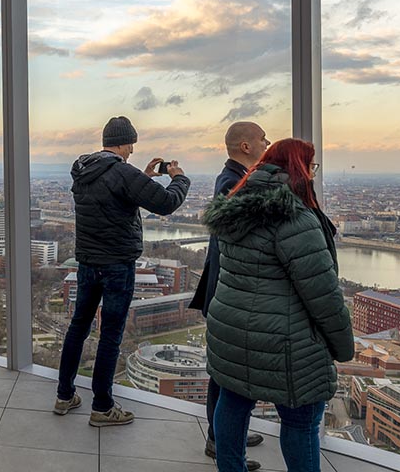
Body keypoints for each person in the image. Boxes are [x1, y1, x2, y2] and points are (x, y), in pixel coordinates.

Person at [203, 138, 354, 472]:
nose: (313, 174)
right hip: (285, 340)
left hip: (231, 329)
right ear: (299, 169)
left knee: (232, 402)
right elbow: (323, 294)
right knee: (301, 421)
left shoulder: (234, 205)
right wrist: (344, 347)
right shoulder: (295, 219)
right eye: (311, 167)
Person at [54, 116, 191, 427]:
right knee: (110, 337)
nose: (132, 150)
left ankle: (64, 395)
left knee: (78, 327)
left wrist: (141, 177)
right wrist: (179, 176)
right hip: (117, 265)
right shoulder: (122, 171)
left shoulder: (84, 170)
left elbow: (113, 200)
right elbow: (167, 203)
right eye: (131, 144)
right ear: (125, 142)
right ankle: (102, 407)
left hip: (87, 263)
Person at [189, 122, 270, 470]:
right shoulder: (233, 182)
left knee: (226, 370)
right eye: (263, 138)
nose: (268, 142)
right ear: (246, 146)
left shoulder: (231, 178)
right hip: (227, 289)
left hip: (222, 287)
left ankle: (225, 434)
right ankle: (221, 440)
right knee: (225, 372)